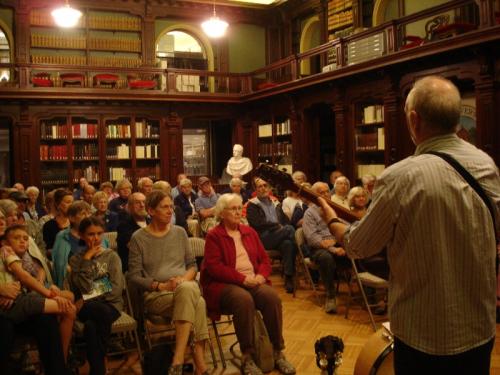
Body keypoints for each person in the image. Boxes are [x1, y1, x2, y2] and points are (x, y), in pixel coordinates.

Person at [319, 76, 500, 374]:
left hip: (423, 334)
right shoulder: (485, 164)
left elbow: (358, 245)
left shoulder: (399, 177)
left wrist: (330, 217)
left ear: (414, 120)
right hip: (479, 326)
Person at [201, 194, 296, 375]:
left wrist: (261, 276)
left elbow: (264, 260)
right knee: (243, 299)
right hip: (224, 285)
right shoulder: (214, 236)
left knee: (271, 297)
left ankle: (277, 351)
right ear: (222, 213)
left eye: (239, 208)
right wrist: (242, 279)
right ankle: (248, 356)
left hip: (253, 280)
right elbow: (214, 268)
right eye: (233, 209)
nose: (238, 212)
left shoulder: (249, 232)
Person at [128, 191, 209, 375]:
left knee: (188, 290)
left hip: (183, 288)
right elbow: (133, 276)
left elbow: (192, 266)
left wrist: (182, 280)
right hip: (157, 295)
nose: (170, 211)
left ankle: (178, 361)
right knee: (200, 303)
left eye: (171, 206)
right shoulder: (138, 238)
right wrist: (161, 286)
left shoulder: (180, 232)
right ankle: (198, 365)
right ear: (151, 211)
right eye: (165, 207)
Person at [0, 224, 76, 362]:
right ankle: (63, 358)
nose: (23, 241)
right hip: (19, 301)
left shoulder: (106, 253)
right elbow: (24, 276)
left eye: (25, 238)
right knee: (71, 308)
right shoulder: (7, 250)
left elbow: (38, 268)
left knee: (77, 303)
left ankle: (64, 356)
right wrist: (47, 292)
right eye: (17, 238)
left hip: (23, 297)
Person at [69, 217, 123, 375]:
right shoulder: (75, 260)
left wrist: (85, 299)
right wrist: (87, 259)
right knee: (99, 312)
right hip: (90, 308)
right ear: (81, 235)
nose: (96, 238)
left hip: (110, 306)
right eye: (91, 234)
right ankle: (101, 368)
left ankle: (97, 371)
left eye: (99, 233)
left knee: (92, 327)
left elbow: (115, 289)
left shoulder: (111, 256)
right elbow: (83, 287)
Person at [246, 178, 296, 293]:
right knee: (289, 230)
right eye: (260, 186)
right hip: (263, 238)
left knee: (288, 244)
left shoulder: (276, 203)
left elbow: (285, 220)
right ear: (256, 189)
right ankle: (303, 251)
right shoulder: (252, 205)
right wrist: (276, 226)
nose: (263, 188)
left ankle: (288, 277)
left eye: (265, 185)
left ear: (269, 188)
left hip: (279, 236)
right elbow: (256, 224)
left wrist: (282, 227)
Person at [302, 182, 346, 313]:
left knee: (359, 251)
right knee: (326, 258)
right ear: (315, 195)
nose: (326, 194)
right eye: (322, 192)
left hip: (336, 243)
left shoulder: (337, 209)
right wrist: (333, 248)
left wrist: (341, 243)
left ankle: (369, 296)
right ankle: (331, 296)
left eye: (327, 191)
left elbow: (346, 228)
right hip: (318, 249)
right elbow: (312, 238)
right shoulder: (310, 213)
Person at [52, 201, 92, 288]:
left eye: (89, 213)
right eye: (83, 214)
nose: (88, 217)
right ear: (71, 218)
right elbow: (60, 265)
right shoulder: (62, 236)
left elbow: (105, 261)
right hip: (73, 281)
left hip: (95, 278)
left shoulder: (97, 234)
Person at [116, 192, 148, 272]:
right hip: (134, 268)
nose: (142, 205)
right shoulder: (124, 225)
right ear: (129, 207)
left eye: (144, 202)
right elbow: (136, 249)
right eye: (137, 202)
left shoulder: (152, 222)